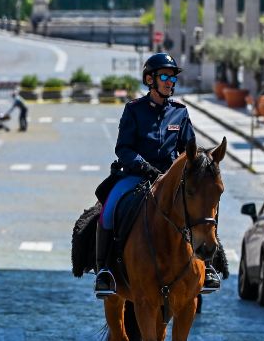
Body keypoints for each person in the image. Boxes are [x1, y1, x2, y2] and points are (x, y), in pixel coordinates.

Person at [94, 52, 223, 298]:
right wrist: (144, 167)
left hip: (172, 180)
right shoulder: (134, 110)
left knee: (205, 208)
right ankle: (105, 272)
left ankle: (208, 267)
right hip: (137, 176)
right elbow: (123, 148)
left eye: (172, 77)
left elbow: (190, 151)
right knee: (108, 208)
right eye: (164, 76)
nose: (169, 82)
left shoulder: (180, 113)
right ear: (149, 80)